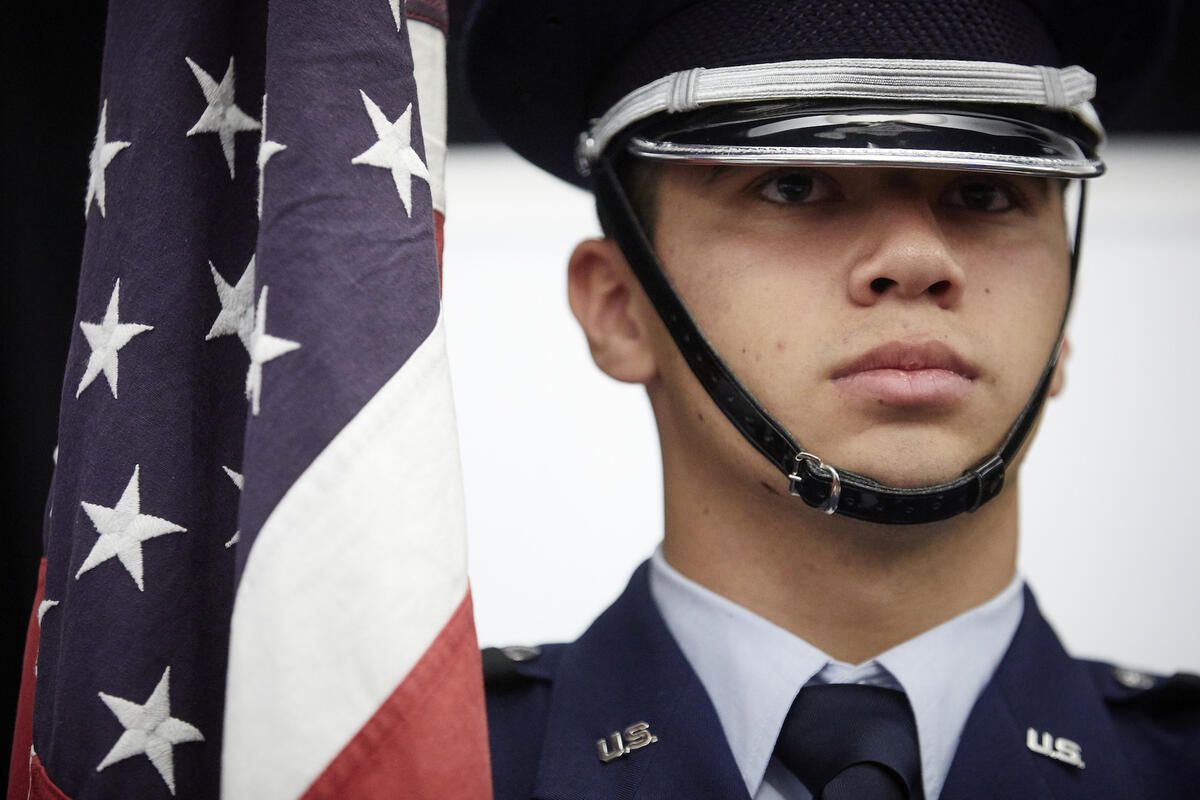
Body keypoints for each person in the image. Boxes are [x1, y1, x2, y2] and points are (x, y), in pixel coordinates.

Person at [463, 1, 1199, 798]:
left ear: (1062, 317)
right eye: (795, 185)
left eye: (987, 193)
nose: (917, 258)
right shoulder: (408, 767)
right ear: (618, 310)